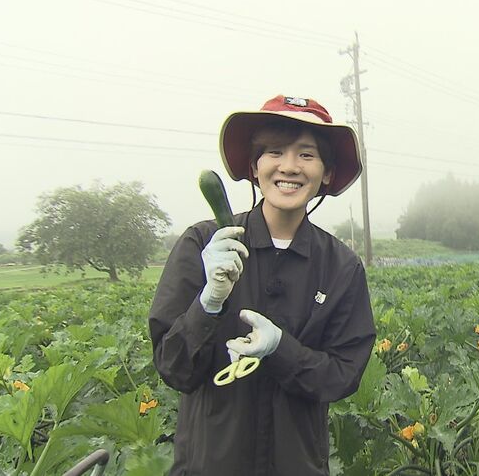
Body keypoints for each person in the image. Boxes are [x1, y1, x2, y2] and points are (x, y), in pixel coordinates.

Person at [149, 95, 376, 476]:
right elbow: (174, 368)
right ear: (254, 167)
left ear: (327, 174)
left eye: (306, 155)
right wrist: (207, 304)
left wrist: (282, 350)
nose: (289, 166)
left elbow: (343, 376)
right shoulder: (203, 242)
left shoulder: (341, 267)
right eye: (274, 152)